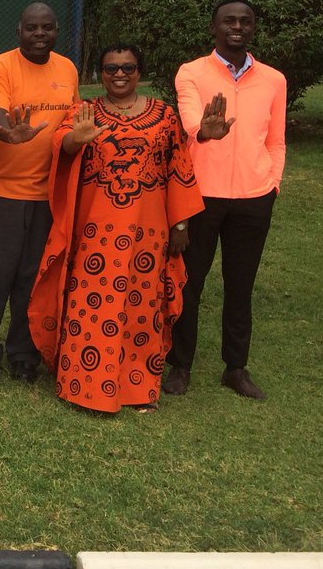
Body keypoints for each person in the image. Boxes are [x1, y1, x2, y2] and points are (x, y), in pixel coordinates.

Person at [28, 44, 205, 413]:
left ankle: (139, 389)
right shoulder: (84, 111)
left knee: (142, 305)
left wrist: (181, 222)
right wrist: (78, 138)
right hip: (96, 231)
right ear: (100, 73)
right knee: (92, 306)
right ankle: (84, 386)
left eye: (128, 67)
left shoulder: (165, 116)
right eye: (111, 68)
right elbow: (61, 146)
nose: (119, 74)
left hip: (149, 230)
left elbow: (180, 167)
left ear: (140, 71)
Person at [163, 0, 286, 400]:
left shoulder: (273, 79)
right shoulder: (192, 73)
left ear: (253, 28)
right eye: (229, 20)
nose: (237, 26)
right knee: (190, 282)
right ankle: (180, 365)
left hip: (254, 197)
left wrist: (273, 183)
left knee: (240, 285)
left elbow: (276, 141)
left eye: (245, 21)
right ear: (214, 27)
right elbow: (190, 121)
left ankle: (235, 368)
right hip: (202, 196)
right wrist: (204, 131)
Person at [0, 3, 79, 384]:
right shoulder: (1, 67)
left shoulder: (67, 69)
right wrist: (6, 133)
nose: (39, 34)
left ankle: (23, 354)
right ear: (18, 31)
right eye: (31, 28)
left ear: (55, 31)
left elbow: (70, 123)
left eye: (46, 28)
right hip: (1, 191)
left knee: (32, 278)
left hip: (47, 193)